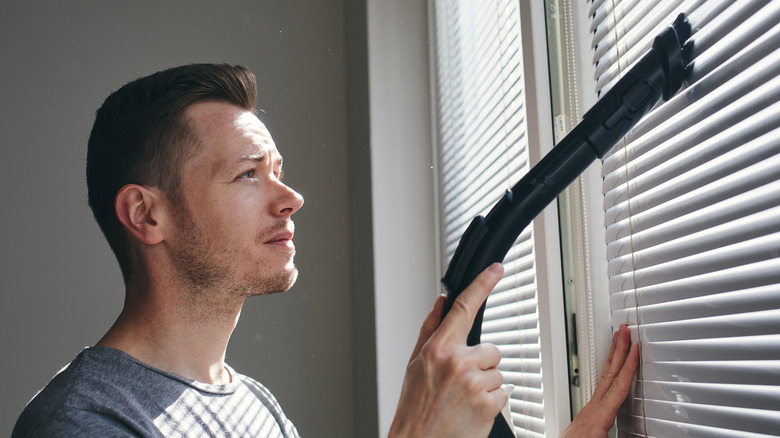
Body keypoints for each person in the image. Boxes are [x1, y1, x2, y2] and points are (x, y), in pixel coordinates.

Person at [13, 64, 638, 437]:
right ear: (148, 214)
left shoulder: (255, 408)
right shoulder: (80, 422)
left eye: (278, 170)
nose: (291, 198)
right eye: (247, 175)